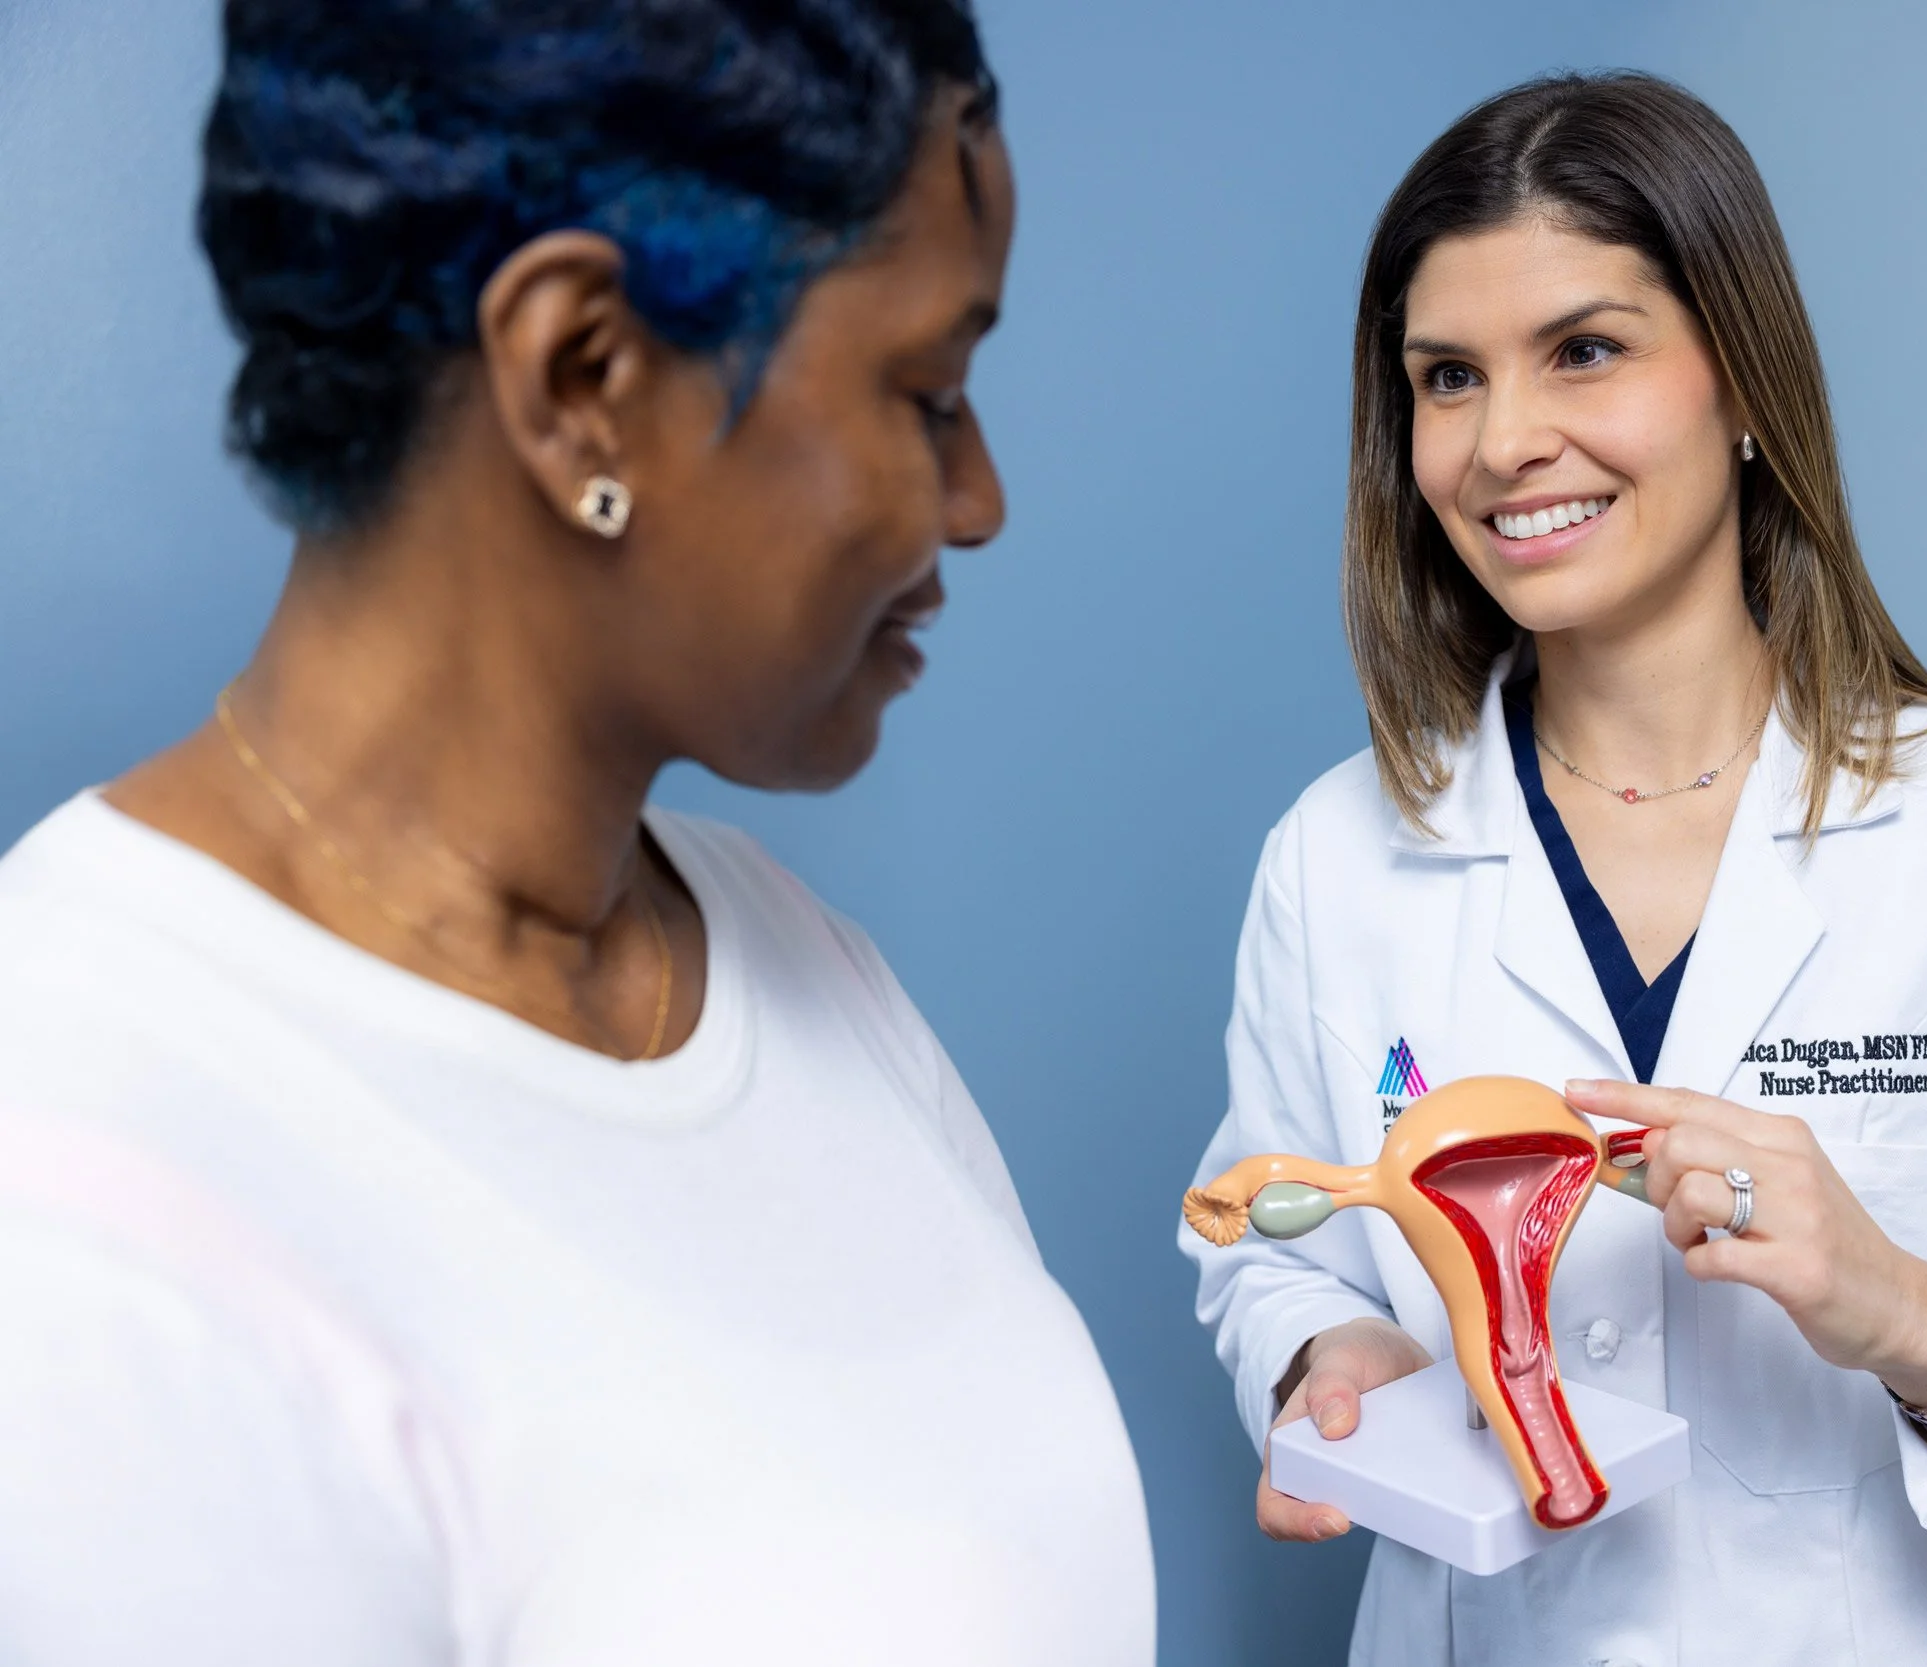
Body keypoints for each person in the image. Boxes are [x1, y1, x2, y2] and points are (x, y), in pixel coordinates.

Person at [0, 3, 1153, 1662]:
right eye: (928, 389)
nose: (979, 498)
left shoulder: (799, 973)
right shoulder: (83, 1205)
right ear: (582, 380)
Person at [1183, 72, 1927, 1666]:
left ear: (1744, 378)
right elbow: (1260, 1248)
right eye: (1448, 377)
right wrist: (1329, 1350)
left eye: (1586, 351)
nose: (1505, 443)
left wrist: (1906, 1311)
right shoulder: (1336, 857)